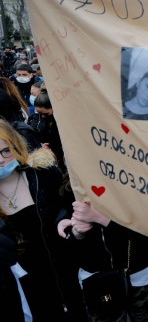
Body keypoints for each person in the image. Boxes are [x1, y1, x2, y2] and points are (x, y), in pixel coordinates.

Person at [0, 120, 85, 321]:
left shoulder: (41, 174)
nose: (1, 160)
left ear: (16, 146)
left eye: (5, 151)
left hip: (66, 270)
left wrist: (72, 227)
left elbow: (67, 205)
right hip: (26, 287)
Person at [61, 198, 148, 322]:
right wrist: (72, 228)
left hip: (142, 271)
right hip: (96, 279)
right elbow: (56, 204)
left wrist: (101, 218)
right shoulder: (70, 180)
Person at [32, 86, 65, 171]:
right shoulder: (49, 121)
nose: (43, 117)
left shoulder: (62, 124)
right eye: (40, 114)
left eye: (46, 114)